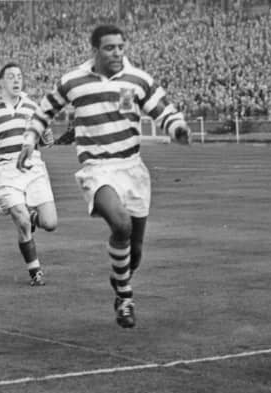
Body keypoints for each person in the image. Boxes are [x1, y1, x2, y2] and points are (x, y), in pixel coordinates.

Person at [17, 24, 191, 329]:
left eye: (121, 47)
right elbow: (44, 111)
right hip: (97, 169)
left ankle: (120, 279)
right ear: (95, 50)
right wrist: (30, 139)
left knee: (135, 254)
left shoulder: (137, 79)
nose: (117, 53)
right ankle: (125, 297)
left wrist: (177, 128)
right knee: (120, 224)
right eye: (110, 48)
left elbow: (163, 110)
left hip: (132, 169)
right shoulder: (73, 81)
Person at [0, 62, 58, 286]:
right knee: (21, 221)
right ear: (0, 82)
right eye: (11, 76)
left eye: (19, 76)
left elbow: (45, 139)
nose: (16, 80)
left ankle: (32, 216)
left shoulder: (33, 107)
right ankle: (35, 272)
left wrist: (47, 137)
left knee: (50, 222)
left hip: (33, 167)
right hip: (6, 169)